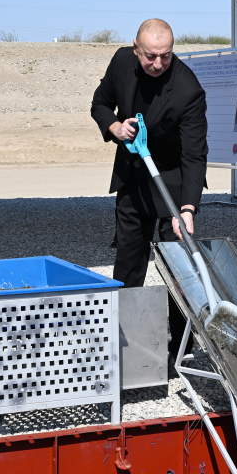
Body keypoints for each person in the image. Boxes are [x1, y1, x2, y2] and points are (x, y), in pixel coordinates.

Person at [90, 18, 208, 363]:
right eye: (151, 56)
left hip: (172, 181)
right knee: (128, 261)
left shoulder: (188, 89)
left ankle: (181, 348)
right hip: (132, 178)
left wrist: (187, 209)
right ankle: (122, 342)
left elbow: (194, 154)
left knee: (177, 267)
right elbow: (99, 104)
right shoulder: (121, 62)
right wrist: (114, 126)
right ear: (135, 48)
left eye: (166, 56)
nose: (158, 64)